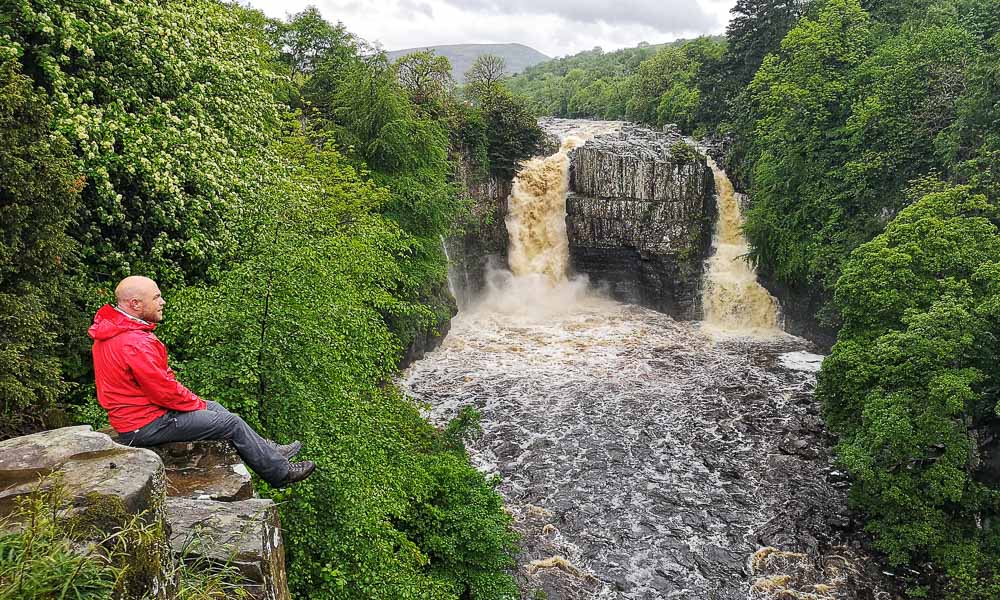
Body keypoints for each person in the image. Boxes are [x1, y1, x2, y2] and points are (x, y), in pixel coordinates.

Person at [89, 275, 315, 487]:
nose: (163, 302)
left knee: (214, 407)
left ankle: (268, 449)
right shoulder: (133, 341)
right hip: (145, 424)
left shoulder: (114, 332)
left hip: (139, 416)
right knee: (231, 423)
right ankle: (280, 473)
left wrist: (198, 403)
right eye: (156, 297)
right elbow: (164, 391)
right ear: (135, 304)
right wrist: (195, 403)